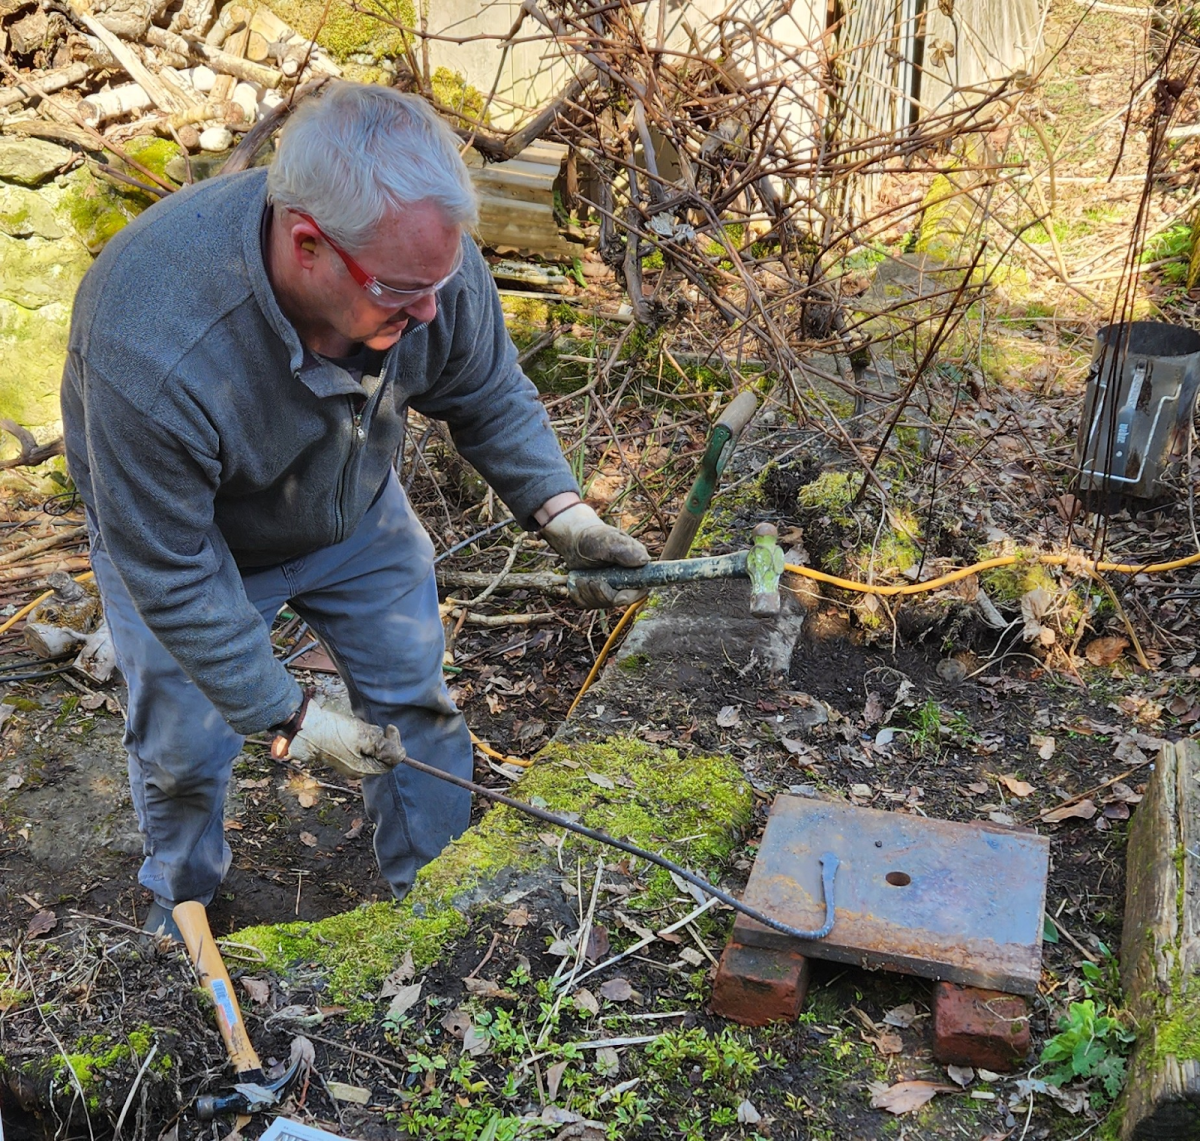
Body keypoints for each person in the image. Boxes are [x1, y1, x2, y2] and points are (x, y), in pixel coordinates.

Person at [60, 81, 649, 939]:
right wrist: (290, 716)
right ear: (307, 244)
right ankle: (181, 906)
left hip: (355, 508)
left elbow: (483, 388)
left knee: (414, 703)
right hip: (197, 549)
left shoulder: (425, 264)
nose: (429, 311)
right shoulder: (151, 340)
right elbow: (175, 578)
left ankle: (443, 908)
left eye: (439, 280)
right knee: (187, 751)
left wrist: (562, 513)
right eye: (403, 291)